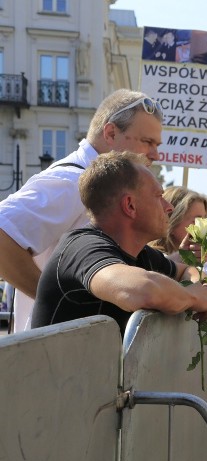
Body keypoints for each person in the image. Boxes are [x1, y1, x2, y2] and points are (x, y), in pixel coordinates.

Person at [0, 89, 163, 333]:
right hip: (53, 353)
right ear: (110, 133)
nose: (155, 154)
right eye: (147, 142)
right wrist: (57, 302)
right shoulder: (72, 180)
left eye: (156, 144)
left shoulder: (94, 182)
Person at [31, 151, 207, 332]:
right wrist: (194, 297)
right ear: (130, 205)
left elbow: (185, 269)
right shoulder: (82, 247)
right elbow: (144, 290)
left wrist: (198, 283)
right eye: (158, 197)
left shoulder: (142, 253)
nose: (169, 207)